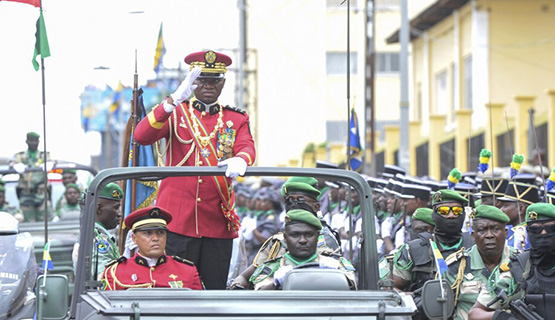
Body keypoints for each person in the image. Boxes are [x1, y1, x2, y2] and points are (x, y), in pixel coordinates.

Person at [134, 50, 256, 289]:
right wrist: (172, 101)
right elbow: (141, 135)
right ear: (192, 82)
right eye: (202, 79)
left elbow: (246, 146)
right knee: (175, 290)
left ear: (223, 82)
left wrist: (241, 159)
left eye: (214, 80)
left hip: (216, 222)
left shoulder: (235, 118)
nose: (208, 85)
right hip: (178, 222)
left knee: (214, 292)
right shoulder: (176, 113)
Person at [468, 203, 555, 319]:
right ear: (528, 232)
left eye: (551, 228)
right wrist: (503, 317)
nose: (543, 233)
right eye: (535, 229)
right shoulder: (516, 269)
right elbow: (475, 314)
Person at [248, 209, 356, 290]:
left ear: (317, 236)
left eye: (309, 235)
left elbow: (353, 288)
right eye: (295, 235)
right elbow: (260, 295)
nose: (303, 240)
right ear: (285, 238)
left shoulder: (335, 264)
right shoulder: (271, 268)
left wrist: (337, 274)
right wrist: (276, 284)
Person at [101, 206, 203, 290]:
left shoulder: (188, 271)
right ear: (134, 239)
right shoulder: (115, 272)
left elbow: (200, 310)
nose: (155, 238)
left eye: (160, 233)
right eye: (148, 233)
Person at [392, 189, 474, 292]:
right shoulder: (413, 250)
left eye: (457, 211)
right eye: (444, 211)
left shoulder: (476, 247)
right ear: (434, 215)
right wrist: (414, 300)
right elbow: (391, 288)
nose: (451, 215)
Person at [444, 205, 517, 320]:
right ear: (473, 235)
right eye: (482, 230)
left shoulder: (519, 262)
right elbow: (442, 310)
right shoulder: (456, 267)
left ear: (506, 233)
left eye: (495, 229)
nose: (489, 235)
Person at [11, 132, 51, 222]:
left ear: (39, 142)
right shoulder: (20, 156)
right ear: (27, 141)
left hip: (42, 195)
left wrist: (50, 164)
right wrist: (15, 165)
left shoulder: (44, 155)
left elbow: (52, 161)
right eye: (31, 140)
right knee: (28, 225)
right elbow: (11, 162)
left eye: (35, 141)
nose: (33, 143)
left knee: (45, 224)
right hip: (26, 195)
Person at [498, 174, 539, 251]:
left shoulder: (528, 234)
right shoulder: (512, 230)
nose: (501, 210)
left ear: (521, 209)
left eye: (505, 206)